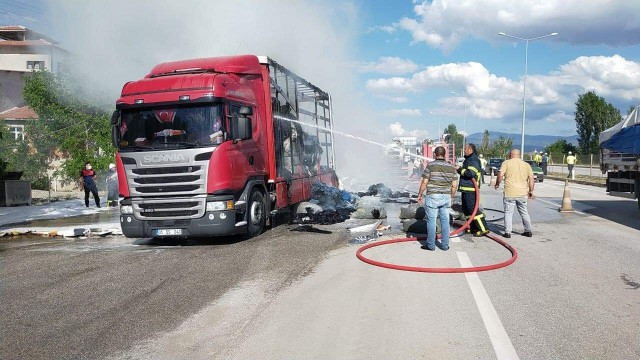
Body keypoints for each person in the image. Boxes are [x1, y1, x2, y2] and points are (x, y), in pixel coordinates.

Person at [417, 146, 458, 251]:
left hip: (433, 196)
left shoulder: (430, 166)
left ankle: (431, 245)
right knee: (445, 221)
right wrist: (452, 197)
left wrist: (420, 194)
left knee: (431, 220)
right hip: (446, 196)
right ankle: (444, 245)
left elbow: (425, 181)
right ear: (444, 155)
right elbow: (454, 185)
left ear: (435, 154)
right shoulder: (451, 167)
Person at [494, 148, 534, 238]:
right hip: (522, 193)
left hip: (510, 192)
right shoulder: (526, 165)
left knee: (508, 212)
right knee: (524, 212)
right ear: (519, 155)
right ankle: (528, 231)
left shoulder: (506, 163)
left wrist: (497, 184)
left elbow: (500, 175)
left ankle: (508, 232)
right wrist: (531, 190)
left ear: (510, 155)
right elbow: (531, 178)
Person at [455, 143, 489, 237]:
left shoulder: (473, 160)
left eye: (465, 149)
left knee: (473, 209)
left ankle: (483, 228)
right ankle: (474, 228)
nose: (464, 151)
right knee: (467, 210)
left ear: (470, 150)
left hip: (471, 189)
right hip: (466, 189)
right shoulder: (469, 159)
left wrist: (459, 169)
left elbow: (470, 173)